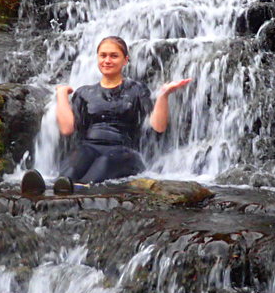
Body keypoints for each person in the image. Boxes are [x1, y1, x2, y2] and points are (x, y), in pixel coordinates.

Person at [20, 36, 191, 196]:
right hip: (89, 147)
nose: (107, 60)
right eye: (103, 55)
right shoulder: (84, 92)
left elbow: (158, 126)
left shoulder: (137, 90)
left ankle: (73, 190)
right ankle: (48, 188)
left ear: (125, 60)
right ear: (97, 58)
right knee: (73, 166)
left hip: (124, 151)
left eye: (114, 56)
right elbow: (66, 128)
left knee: (103, 163)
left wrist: (164, 95)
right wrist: (62, 94)